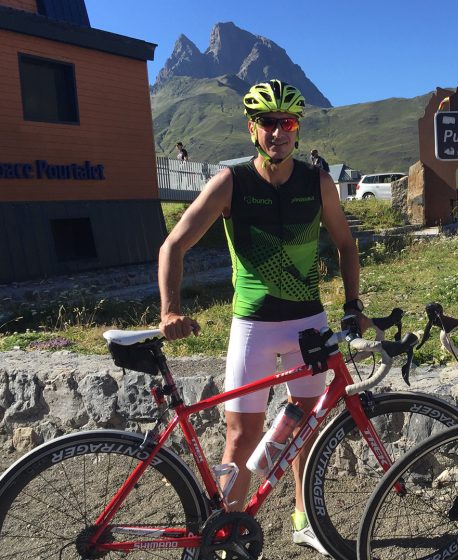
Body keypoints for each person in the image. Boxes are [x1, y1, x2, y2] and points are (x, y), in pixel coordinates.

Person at [158, 79, 368, 556]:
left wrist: (353, 305)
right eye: (268, 123)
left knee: (306, 430)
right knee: (240, 434)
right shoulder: (231, 181)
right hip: (252, 325)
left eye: (287, 122)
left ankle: (302, 517)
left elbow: (346, 244)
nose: (278, 132)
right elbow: (174, 245)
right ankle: (227, 529)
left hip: (308, 324)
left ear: (297, 129)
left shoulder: (316, 181)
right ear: (253, 130)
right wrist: (170, 308)